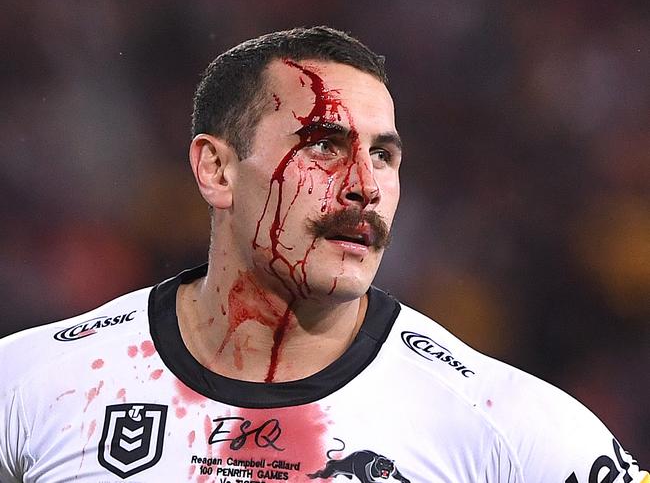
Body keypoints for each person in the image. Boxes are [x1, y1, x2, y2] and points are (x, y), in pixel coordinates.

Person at [0, 26, 646, 483]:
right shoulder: (34, 382)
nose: (365, 184)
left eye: (385, 154)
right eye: (324, 144)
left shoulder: (506, 425)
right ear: (216, 170)